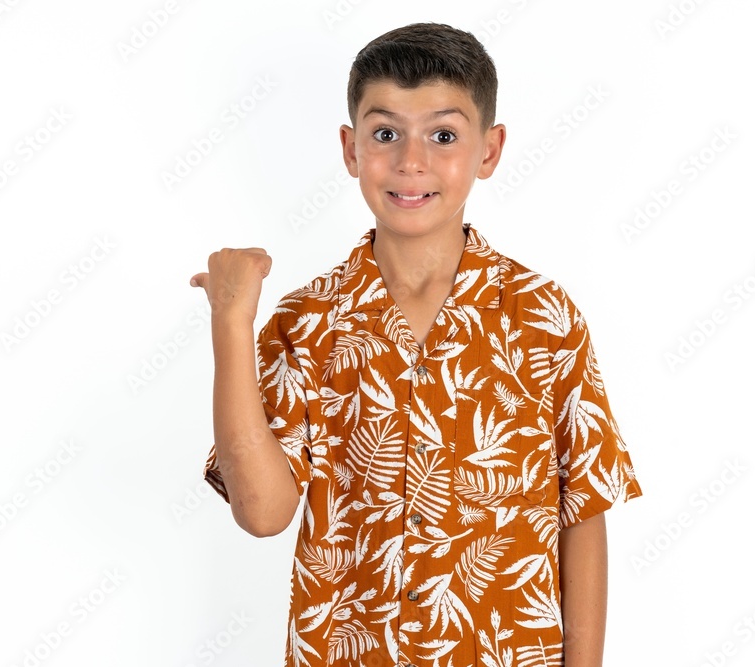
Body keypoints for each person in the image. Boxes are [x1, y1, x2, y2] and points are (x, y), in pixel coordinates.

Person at [189, 22, 642, 667]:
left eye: (443, 135)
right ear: (350, 149)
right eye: (385, 134)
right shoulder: (307, 323)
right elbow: (263, 514)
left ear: (489, 150)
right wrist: (231, 322)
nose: (411, 161)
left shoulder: (544, 318)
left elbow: (584, 513)